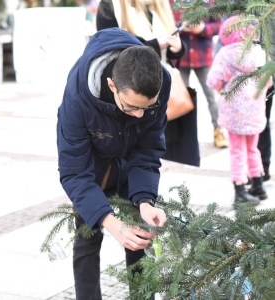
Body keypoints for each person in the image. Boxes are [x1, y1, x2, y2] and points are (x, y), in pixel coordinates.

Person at [57, 27, 171, 300]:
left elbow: (147, 149)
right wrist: (108, 220)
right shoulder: (77, 98)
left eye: (148, 107)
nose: (140, 114)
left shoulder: (159, 81)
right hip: (93, 169)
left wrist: (144, 199)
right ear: (111, 85)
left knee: (139, 241)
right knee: (87, 240)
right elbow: (74, 172)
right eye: (132, 107)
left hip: (130, 165)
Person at [96, 0, 200, 167]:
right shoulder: (111, 5)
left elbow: (168, 56)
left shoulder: (158, 5)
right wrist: (155, 45)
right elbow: (109, 50)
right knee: (130, 156)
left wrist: (178, 48)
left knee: (155, 155)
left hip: (159, 92)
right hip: (128, 95)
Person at [206, 16, 272, 205]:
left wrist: (225, 83)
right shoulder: (259, 51)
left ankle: (240, 190)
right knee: (253, 148)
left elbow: (213, 81)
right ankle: (258, 185)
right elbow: (268, 82)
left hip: (234, 112)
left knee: (237, 151)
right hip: (255, 109)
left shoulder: (226, 54)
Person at [171, 1, 228, 149]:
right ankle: (183, 137)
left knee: (212, 97)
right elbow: (165, 24)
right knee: (180, 99)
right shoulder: (173, 2)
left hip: (203, 57)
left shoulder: (210, 2)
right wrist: (181, 26)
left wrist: (203, 28)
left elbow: (219, 26)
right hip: (180, 56)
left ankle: (218, 130)